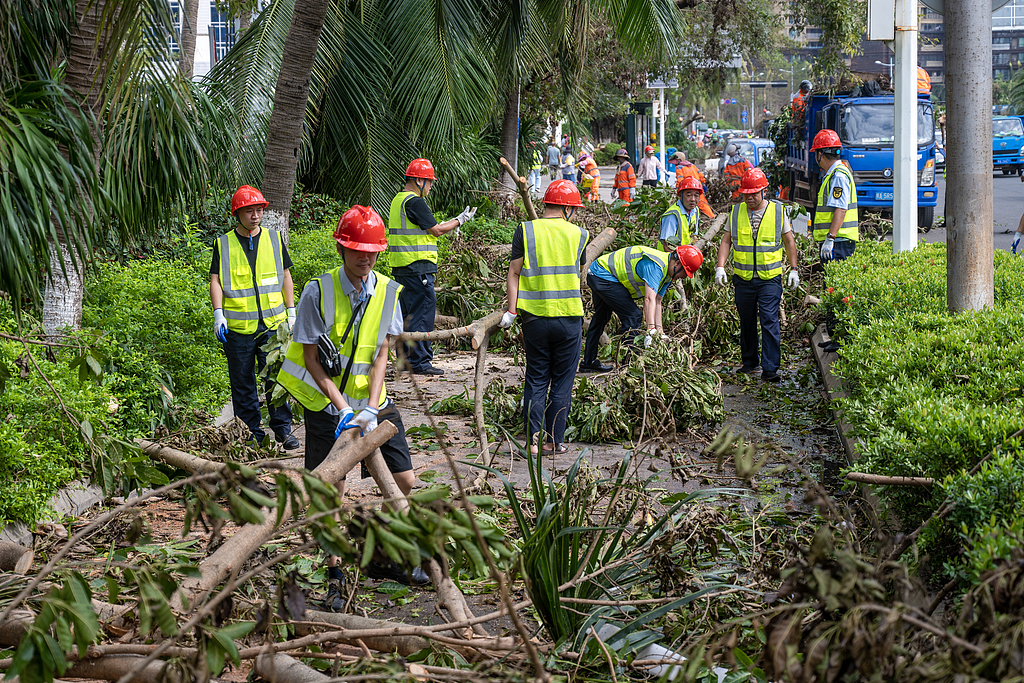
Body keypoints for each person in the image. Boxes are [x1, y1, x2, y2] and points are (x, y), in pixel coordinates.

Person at [276, 205, 430, 600]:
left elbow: (382, 353)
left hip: (372, 400)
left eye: (372, 250)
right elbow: (310, 357)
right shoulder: (317, 292)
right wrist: (343, 408)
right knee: (331, 492)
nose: (365, 257)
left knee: (406, 481)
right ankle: (335, 574)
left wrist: (370, 406)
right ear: (342, 249)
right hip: (328, 406)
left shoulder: (388, 291)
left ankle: (381, 549)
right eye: (357, 249)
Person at [499, 180, 588, 455]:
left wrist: (511, 312)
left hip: (534, 319)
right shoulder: (580, 234)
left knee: (537, 379)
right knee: (562, 382)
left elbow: (513, 273)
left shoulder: (526, 230)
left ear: (546, 204)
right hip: (569, 319)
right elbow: (580, 276)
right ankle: (554, 442)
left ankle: (533, 443)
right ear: (568, 209)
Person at [210, 185, 298, 450]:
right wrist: (218, 314)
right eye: (249, 210)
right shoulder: (223, 244)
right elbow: (215, 279)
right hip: (238, 328)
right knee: (243, 382)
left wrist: (291, 312)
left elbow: (286, 276)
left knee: (277, 377)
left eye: (259, 209)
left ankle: (283, 429)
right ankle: (251, 433)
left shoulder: (273, 239)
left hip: (273, 325)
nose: (255, 215)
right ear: (238, 213)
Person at [387, 158, 476, 375]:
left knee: (407, 315)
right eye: (429, 182)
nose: (431, 186)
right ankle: (419, 363)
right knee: (423, 313)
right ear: (418, 180)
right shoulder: (415, 202)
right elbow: (435, 230)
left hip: (402, 268)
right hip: (418, 268)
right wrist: (460, 220)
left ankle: (406, 361)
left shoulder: (397, 200)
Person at [714, 168, 800, 383]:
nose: (750, 198)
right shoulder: (735, 213)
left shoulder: (778, 212)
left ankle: (770, 368)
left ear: (764, 191)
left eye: (754, 193)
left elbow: (789, 241)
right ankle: (749, 361)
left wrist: (794, 269)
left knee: (769, 320)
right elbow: (726, 240)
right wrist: (720, 266)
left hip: (770, 279)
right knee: (747, 320)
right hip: (743, 279)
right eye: (746, 194)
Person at [579, 244, 704, 372]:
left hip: (598, 273)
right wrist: (650, 329)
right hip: (601, 274)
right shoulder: (656, 265)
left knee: (601, 317)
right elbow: (649, 299)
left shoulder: (669, 273)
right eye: (685, 272)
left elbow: (657, 301)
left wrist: (659, 332)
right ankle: (627, 367)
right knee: (633, 316)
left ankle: (588, 362)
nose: (683, 277)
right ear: (677, 263)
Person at [810, 129, 858, 262]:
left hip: (838, 243)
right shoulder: (834, 174)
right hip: (838, 242)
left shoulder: (838, 176)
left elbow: (841, 209)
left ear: (820, 154)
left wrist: (830, 239)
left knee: (832, 283)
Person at [659, 177, 703, 251]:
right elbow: (667, 246)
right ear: (680, 195)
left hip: (685, 255)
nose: (693, 199)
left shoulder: (695, 211)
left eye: (696, 195)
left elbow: (693, 236)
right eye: (689, 195)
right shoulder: (672, 215)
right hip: (667, 259)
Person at [670, 150, 715, 218]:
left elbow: (680, 179)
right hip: (697, 187)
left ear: (679, 160)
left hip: (687, 189)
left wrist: (678, 189)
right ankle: (711, 216)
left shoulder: (679, 167)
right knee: (703, 203)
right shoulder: (692, 165)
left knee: (688, 204)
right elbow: (700, 175)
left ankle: (708, 217)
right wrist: (703, 184)